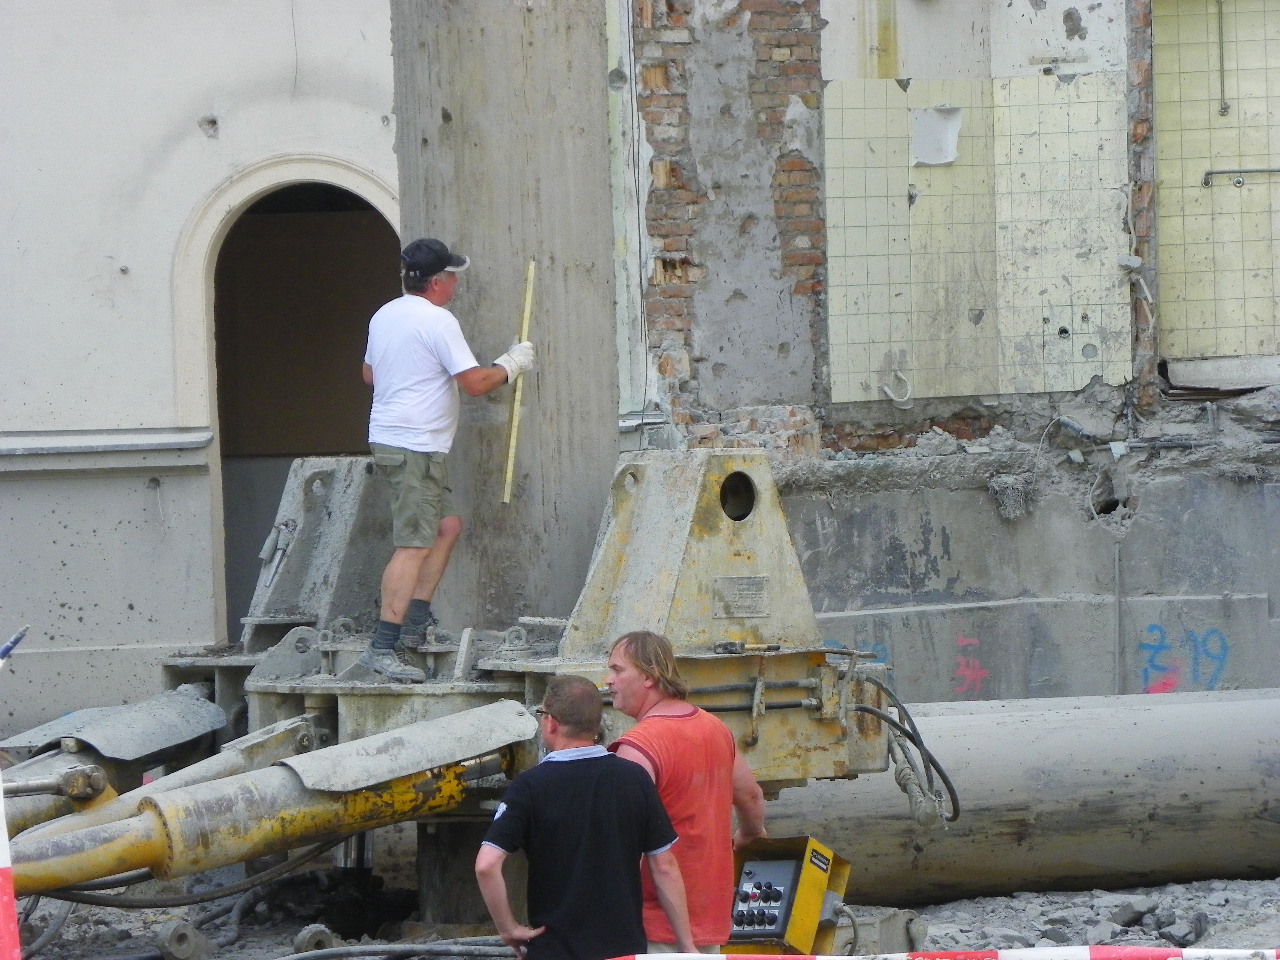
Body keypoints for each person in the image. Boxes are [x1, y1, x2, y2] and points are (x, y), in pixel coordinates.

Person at [358, 238, 535, 682]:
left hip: (407, 444)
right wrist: (511, 364)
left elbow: (369, 374)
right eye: (453, 276)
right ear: (437, 281)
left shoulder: (385, 314)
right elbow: (475, 384)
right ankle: (382, 648)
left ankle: (414, 623)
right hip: (413, 446)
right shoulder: (438, 321)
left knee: (446, 527)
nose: (456, 283)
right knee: (414, 545)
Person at [475, 675, 696, 960]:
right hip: (622, 951)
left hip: (554, 950)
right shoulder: (633, 779)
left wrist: (508, 928)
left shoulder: (529, 787)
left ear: (551, 723)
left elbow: (486, 866)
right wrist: (687, 946)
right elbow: (664, 867)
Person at [606, 630, 768, 953]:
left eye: (617, 670)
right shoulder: (715, 728)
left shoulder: (638, 748)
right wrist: (751, 832)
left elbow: (619, 845)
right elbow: (750, 796)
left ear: (649, 676)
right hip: (710, 917)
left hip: (656, 923)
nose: (608, 680)